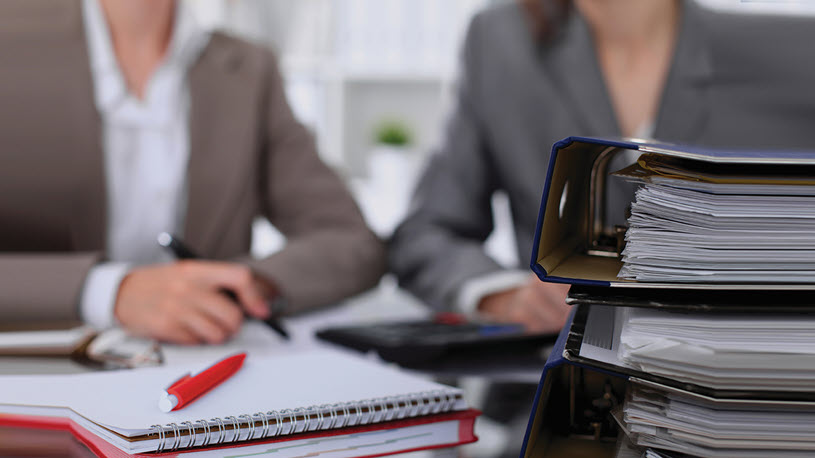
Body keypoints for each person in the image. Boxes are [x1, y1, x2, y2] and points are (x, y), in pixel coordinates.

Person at [389, 0, 815, 333]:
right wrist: (504, 296)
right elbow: (426, 233)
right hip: (560, 389)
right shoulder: (498, 41)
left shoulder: (780, 54)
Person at [0, 0, 386, 344]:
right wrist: (108, 291)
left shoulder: (248, 69)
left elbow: (351, 242)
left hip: (199, 381)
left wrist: (247, 283)